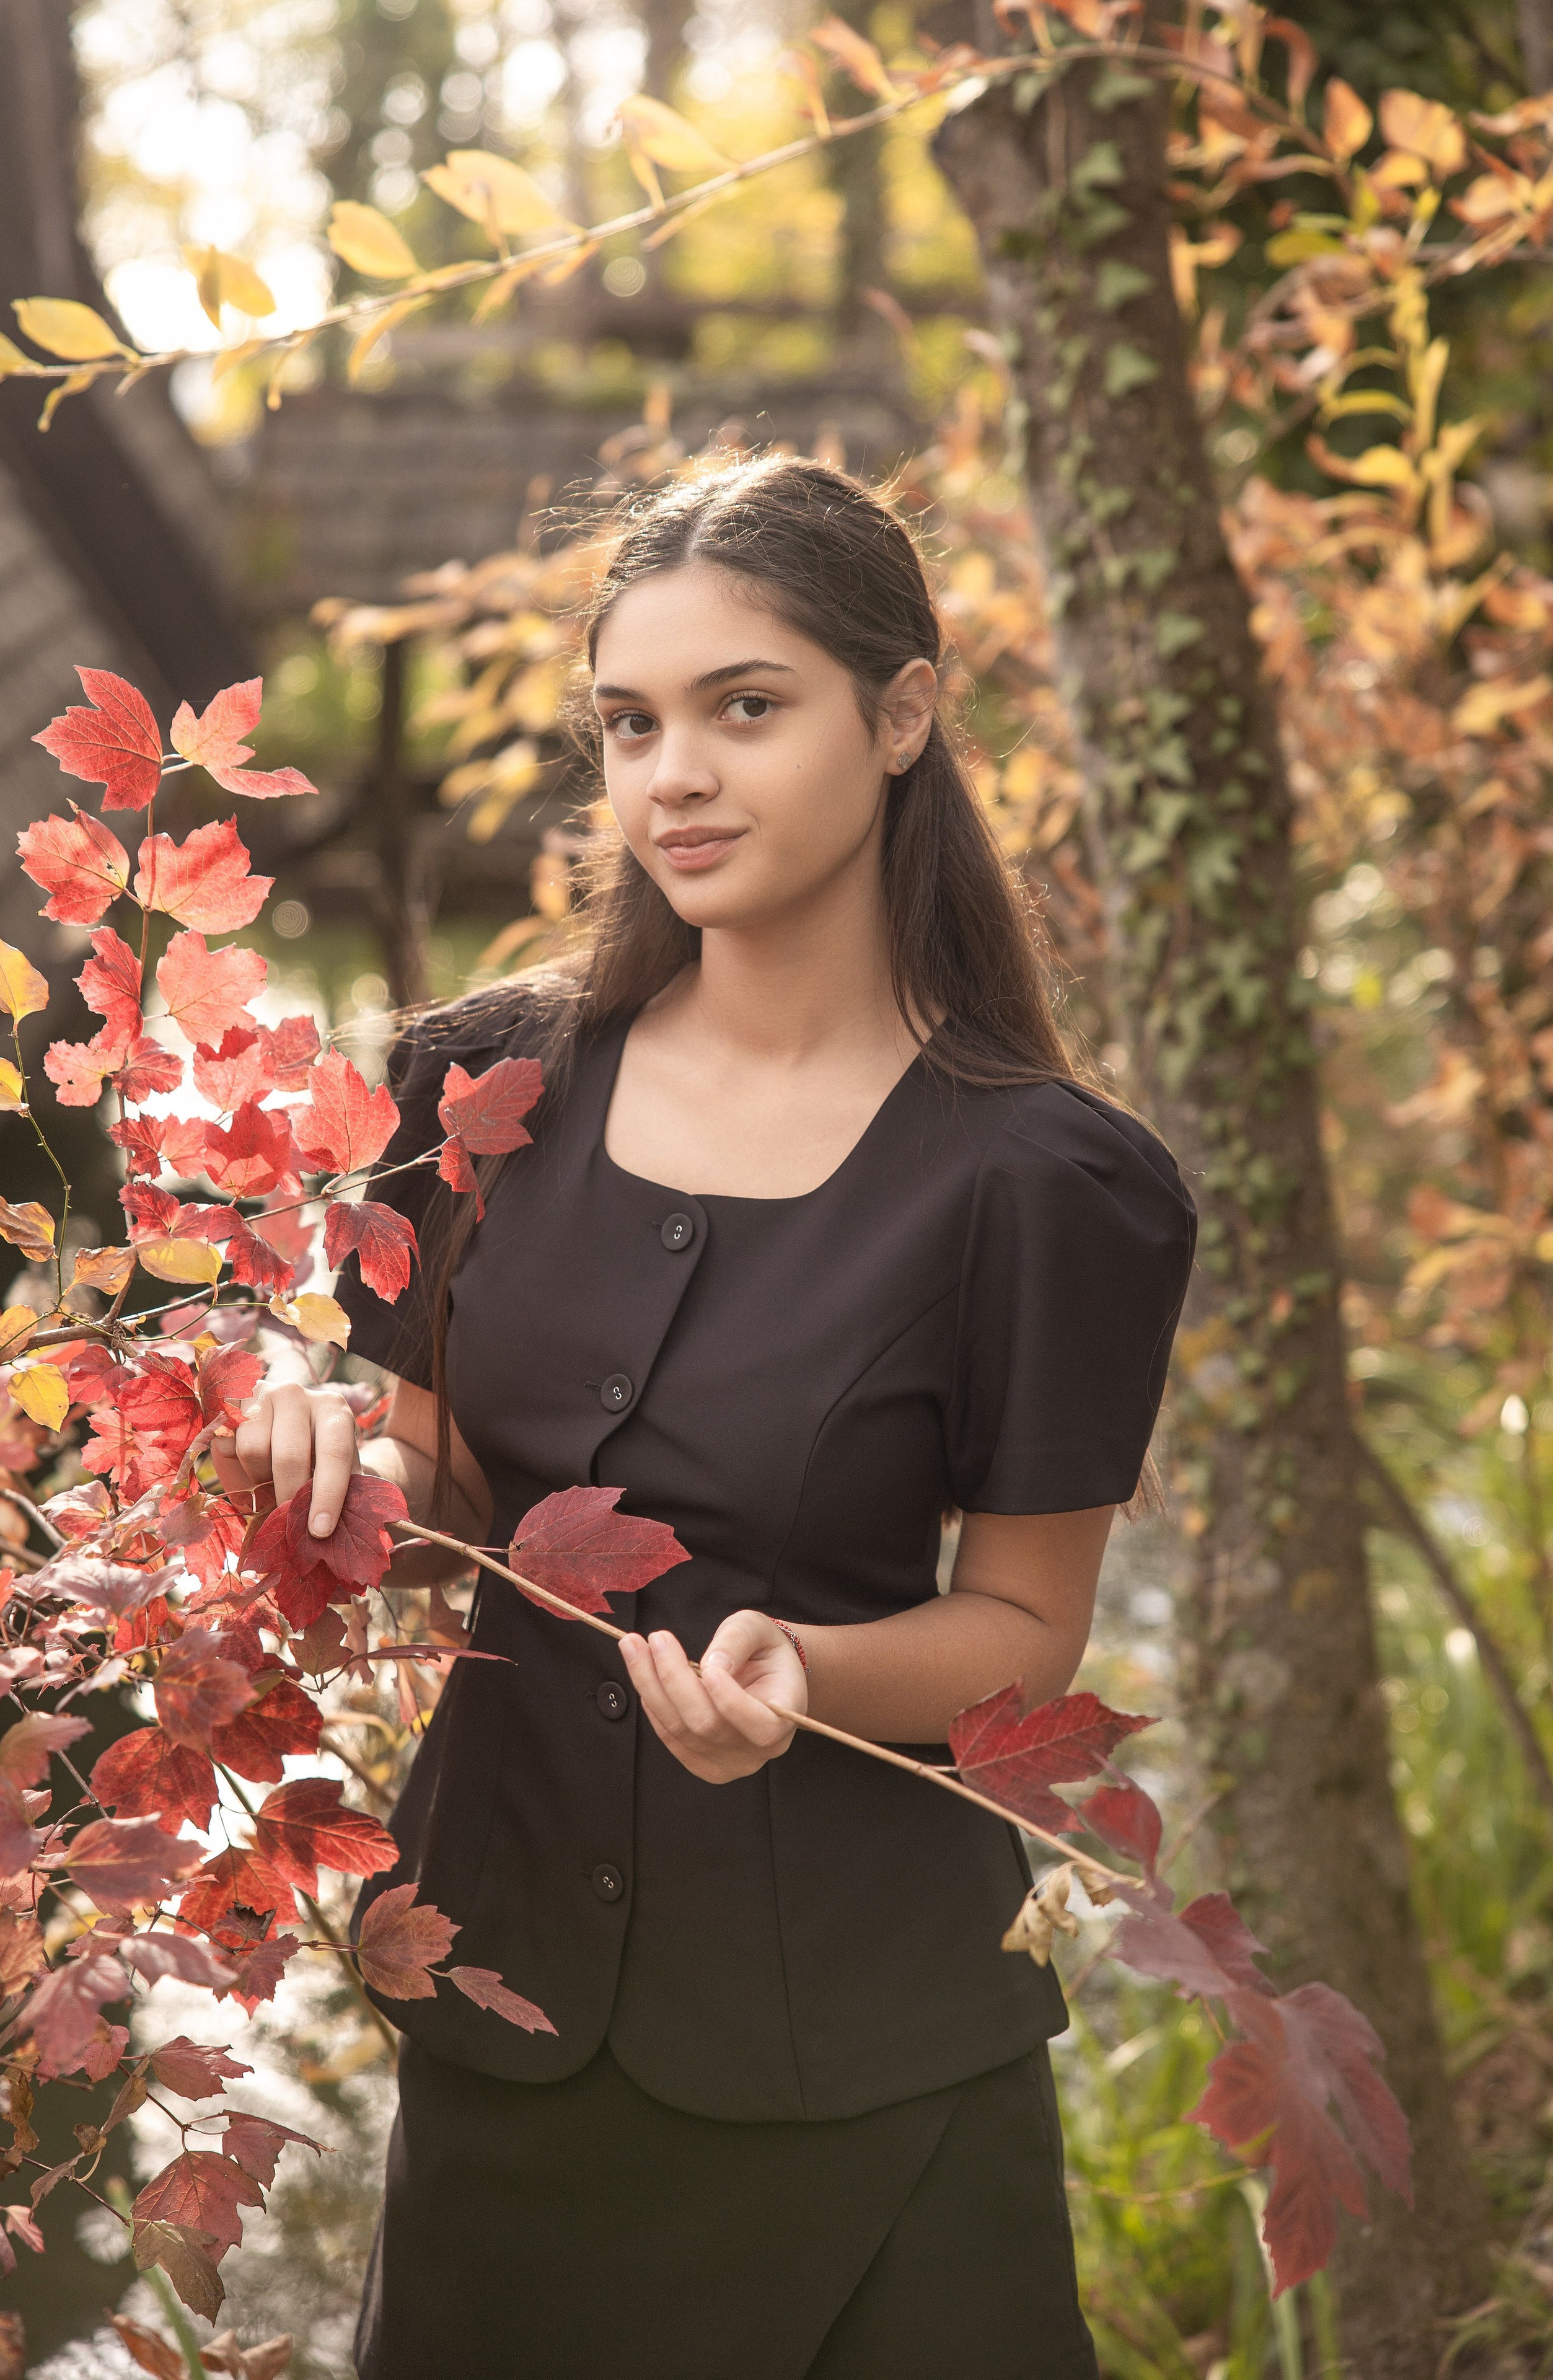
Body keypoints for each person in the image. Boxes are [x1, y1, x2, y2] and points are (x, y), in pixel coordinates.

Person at [215, 456, 1195, 2379]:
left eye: (748, 708)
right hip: (505, 2009)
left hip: (871, 2057)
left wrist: (807, 1679)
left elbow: (1023, 1634)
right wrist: (321, 1428)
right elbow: (445, 1472)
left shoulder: (1048, 1184)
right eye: (633, 723)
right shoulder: (477, 1088)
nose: (674, 775)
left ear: (901, 715)